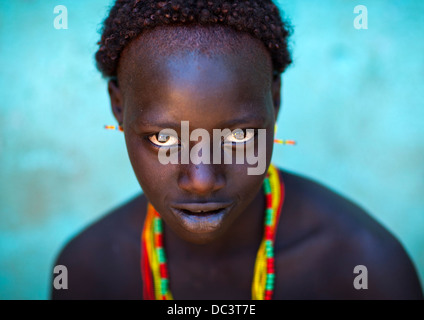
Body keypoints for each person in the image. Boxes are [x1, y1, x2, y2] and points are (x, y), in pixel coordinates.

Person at [51, 0, 423, 300]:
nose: (201, 181)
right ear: (118, 106)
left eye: (239, 138)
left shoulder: (363, 269)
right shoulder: (88, 271)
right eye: (165, 139)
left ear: (274, 99)